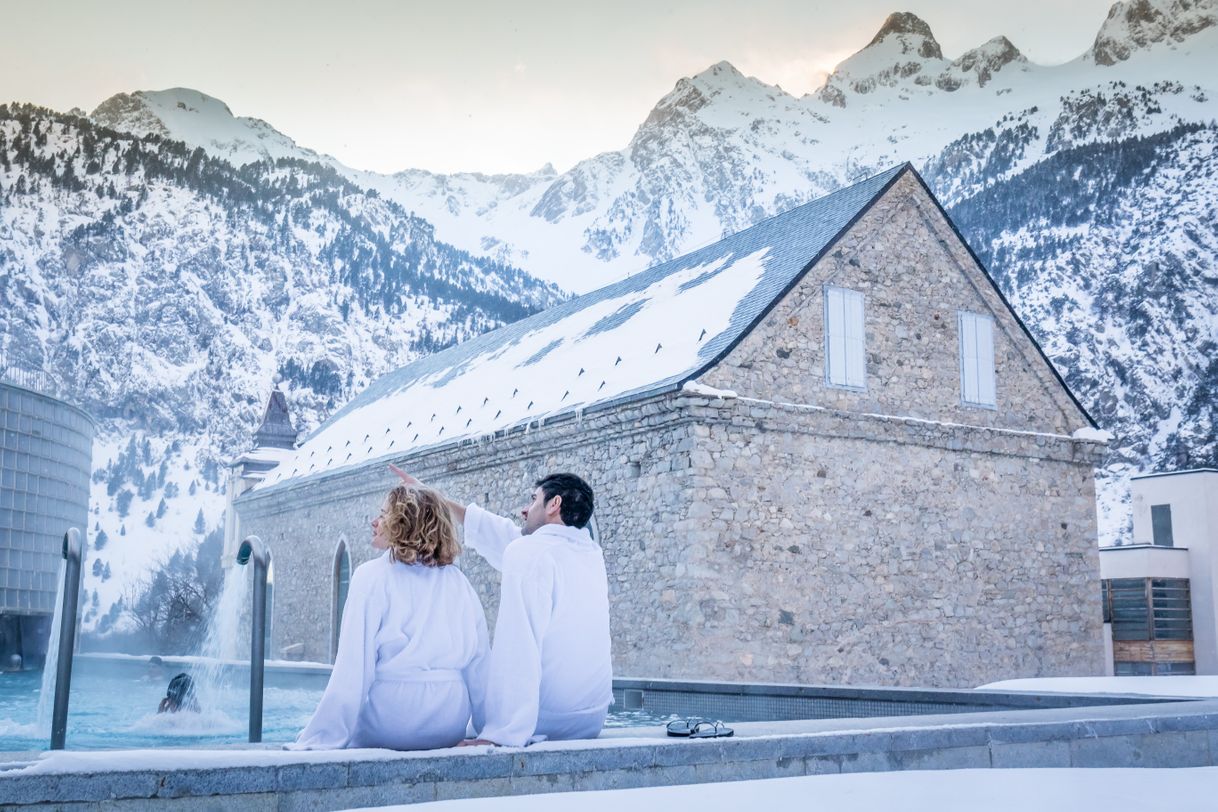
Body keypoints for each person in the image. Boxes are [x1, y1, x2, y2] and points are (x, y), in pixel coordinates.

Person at [391, 465, 612, 747]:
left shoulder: (530, 553)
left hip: (544, 720)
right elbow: (503, 536)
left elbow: (518, 647)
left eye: (533, 500)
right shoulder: (589, 554)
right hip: (589, 721)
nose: (524, 509)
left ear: (554, 504)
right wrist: (435, 498)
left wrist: (502, 734)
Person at [289, 485, 489, 750]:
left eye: (384, 515)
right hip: (447, 723)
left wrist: (324, 735)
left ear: (405, 523)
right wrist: (492, 727)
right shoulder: (458, 582)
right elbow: (480, 664)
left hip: (391, 720)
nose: (375, 522)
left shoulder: (371, 576)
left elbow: (353, 666)